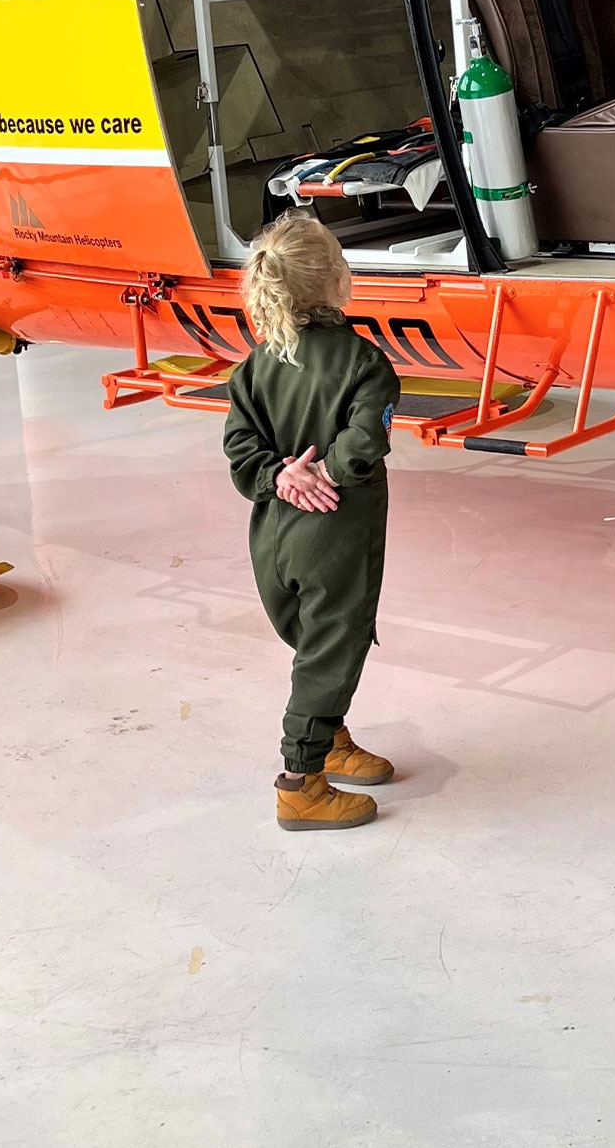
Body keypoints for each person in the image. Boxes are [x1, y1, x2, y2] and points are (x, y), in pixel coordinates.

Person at [223, 211, 403, 831]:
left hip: (273, 539)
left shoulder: (254, 365)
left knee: (313, 643)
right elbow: (364, 440)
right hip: (333, 536)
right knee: (333, 646)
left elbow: (241, 451)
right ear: (334, 281)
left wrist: (281, 475)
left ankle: (332, 740)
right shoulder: (364, 363)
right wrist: (326, 472)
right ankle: (301, 781)